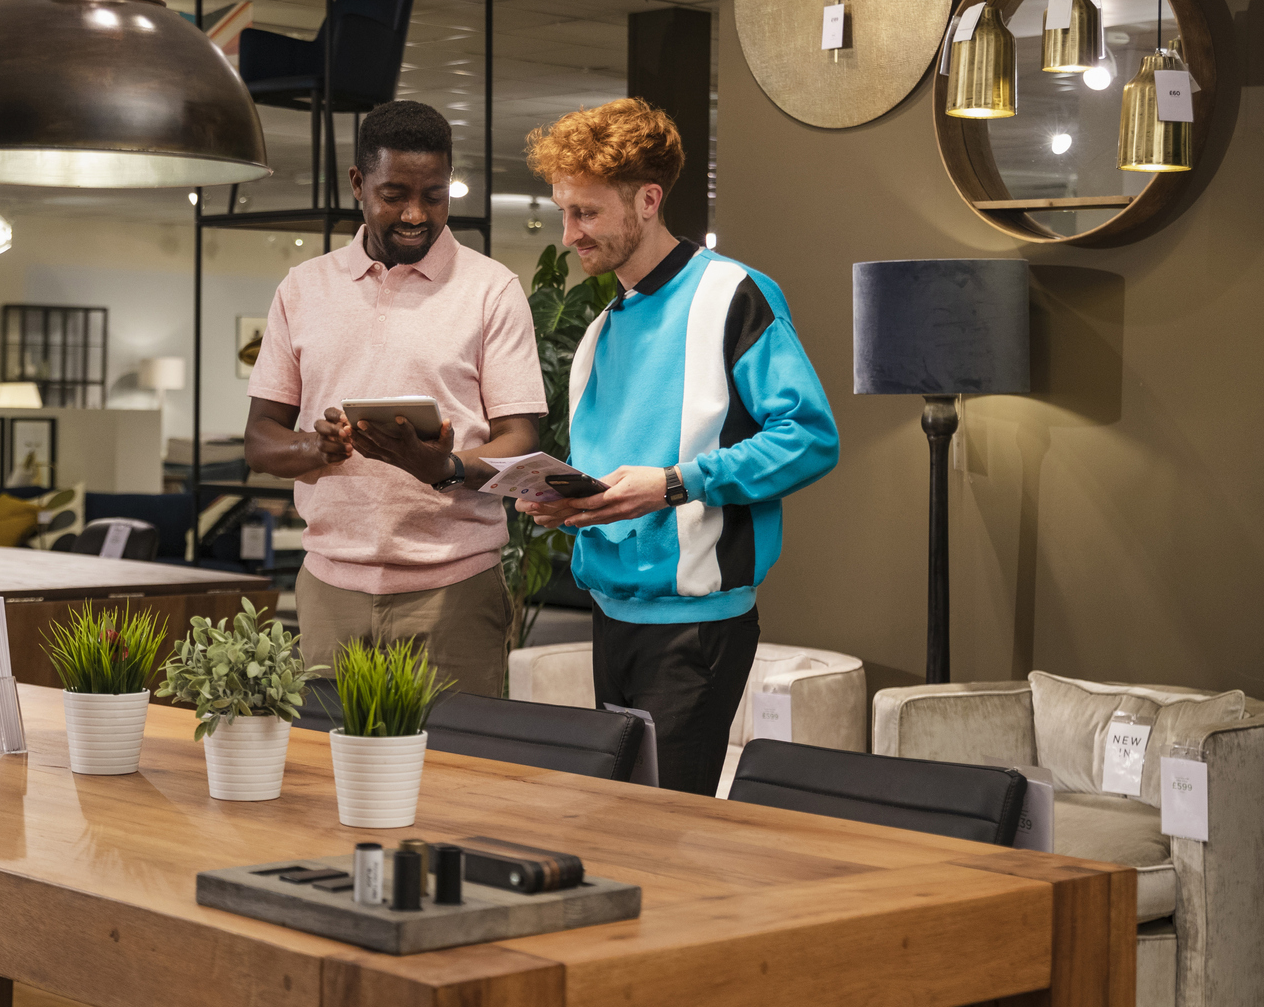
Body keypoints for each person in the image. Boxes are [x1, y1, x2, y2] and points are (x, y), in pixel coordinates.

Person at [519, 98, 840, 795]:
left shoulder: (734, 294)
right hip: (610, 617)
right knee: (623, 821)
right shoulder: (602, 327)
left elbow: (810, 439)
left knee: (665, 830)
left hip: (697, 630)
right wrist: (569, 505)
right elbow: (610, 475)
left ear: (648, 199)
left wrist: (672, 483)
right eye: (563, 212)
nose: (569, 233)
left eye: (586, 212)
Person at [243, 99, 545, 697]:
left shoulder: (491, 290)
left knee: (459, 780)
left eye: (434, 195)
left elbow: (522, 441)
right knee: (328, 779)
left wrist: (446, 467)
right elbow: (259, 439)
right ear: (358, 183)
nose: (415, 214)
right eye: (395, 193)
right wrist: (316, 447)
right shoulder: (303, 289)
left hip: (454, 590)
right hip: (330, 589)